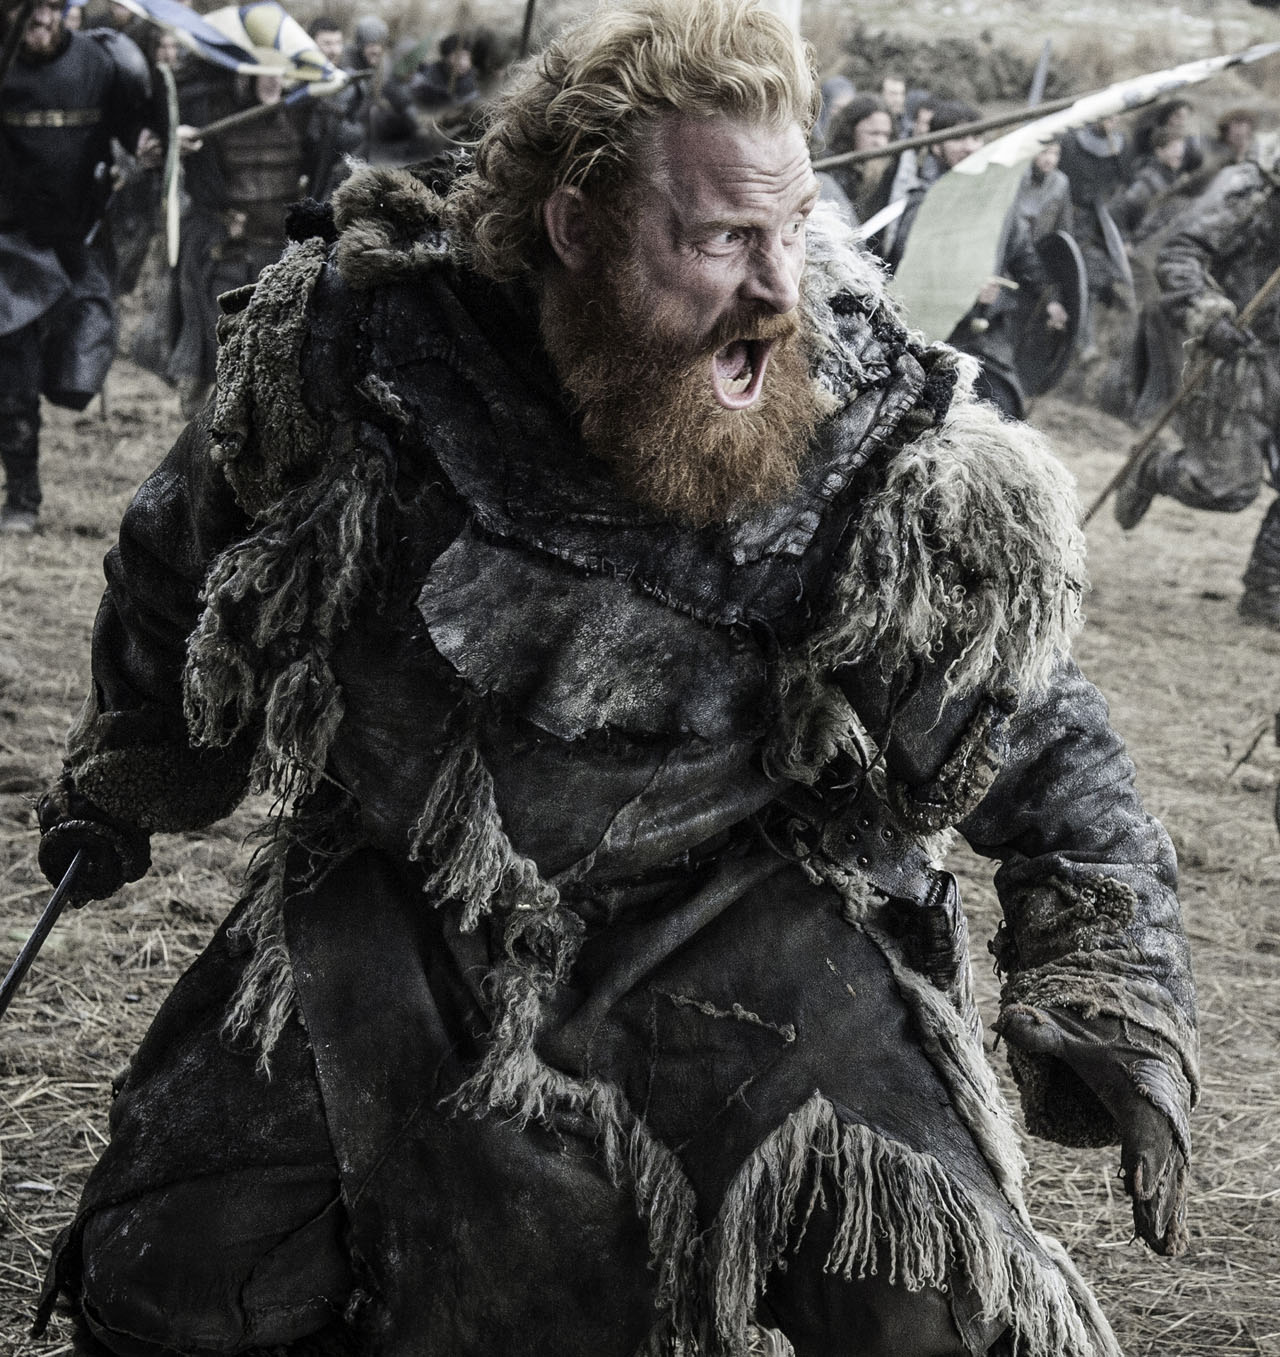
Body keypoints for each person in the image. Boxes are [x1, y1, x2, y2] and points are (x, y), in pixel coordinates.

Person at [34, 4, 1196, 1355]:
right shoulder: (362, 354)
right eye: (720, 239)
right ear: (575, 227)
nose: (778, 288)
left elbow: (1037, 725)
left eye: (793, 226)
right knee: (172, 1276)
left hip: (740, 917)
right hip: (399, 900)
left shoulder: (874, 437)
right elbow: (186, 559)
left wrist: (1109, 981)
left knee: (939, 1309)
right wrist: (136, 764)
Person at [1114, 132, 1280, 626]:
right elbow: (1180, 253)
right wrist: (1209, 313)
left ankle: (1267, 590)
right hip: (1240, 354)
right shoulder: (1252, 188)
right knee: (1226, 487)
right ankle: (1153, 467)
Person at [0, 0, 153, 532]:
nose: (39, 20)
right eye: (27, 10)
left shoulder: (101, 62)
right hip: (11, 245)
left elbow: (133, 129)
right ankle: (22, 499)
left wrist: (148, 144)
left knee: (81, 360)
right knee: (13, 382)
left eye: (49, 8)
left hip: (78, 238)